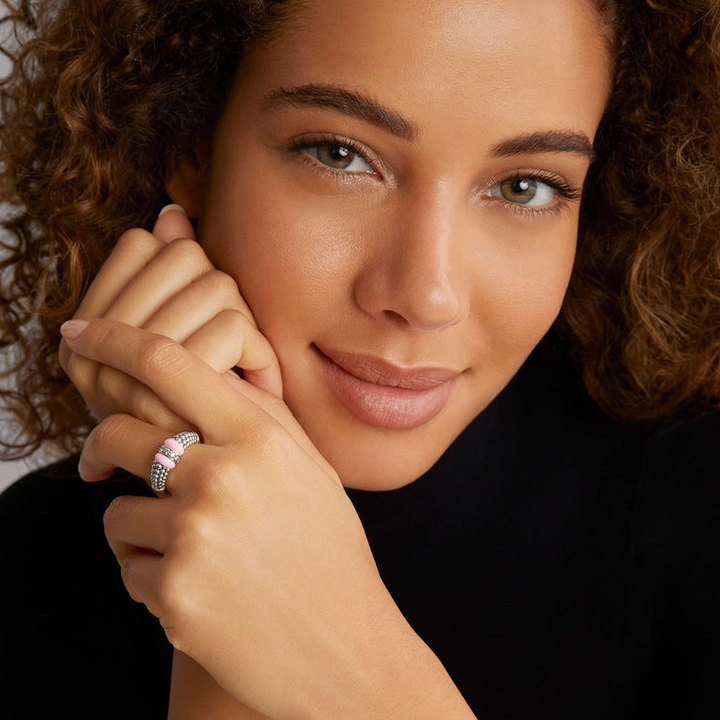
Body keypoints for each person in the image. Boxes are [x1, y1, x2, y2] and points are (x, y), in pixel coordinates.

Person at [0, 0, 719, 717]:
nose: (428, 295)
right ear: (189, 144)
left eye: (523, 186)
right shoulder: (35, 571)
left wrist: (351, 676)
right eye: (340, 155)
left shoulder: (694, 514)